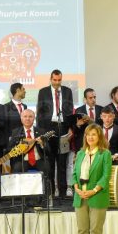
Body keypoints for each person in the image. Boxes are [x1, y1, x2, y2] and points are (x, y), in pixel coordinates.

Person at [72, 124, 112, 234]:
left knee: (95, 231)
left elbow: (106, 176)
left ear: (99, 136)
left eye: (94, 134)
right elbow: (74, 174)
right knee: (82, 230)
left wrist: (93, 190)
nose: (90, 137)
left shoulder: (105, 154)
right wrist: (76, 187)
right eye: (88, 134)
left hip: (97, 196)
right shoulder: (81, 153)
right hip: (80, 197)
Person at [36, 69, 74, 199]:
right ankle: (52, 191)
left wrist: (71, 127)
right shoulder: (43, 92)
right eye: (55, 80)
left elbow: (70, 111)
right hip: (48, 128)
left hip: (63, 128)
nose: (57, 83)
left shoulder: (67, 91)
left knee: (62, 161)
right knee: (50, 162)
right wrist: (41, 132)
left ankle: (63, 192)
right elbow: (39, 113)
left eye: (59, 80)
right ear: (50, 79)